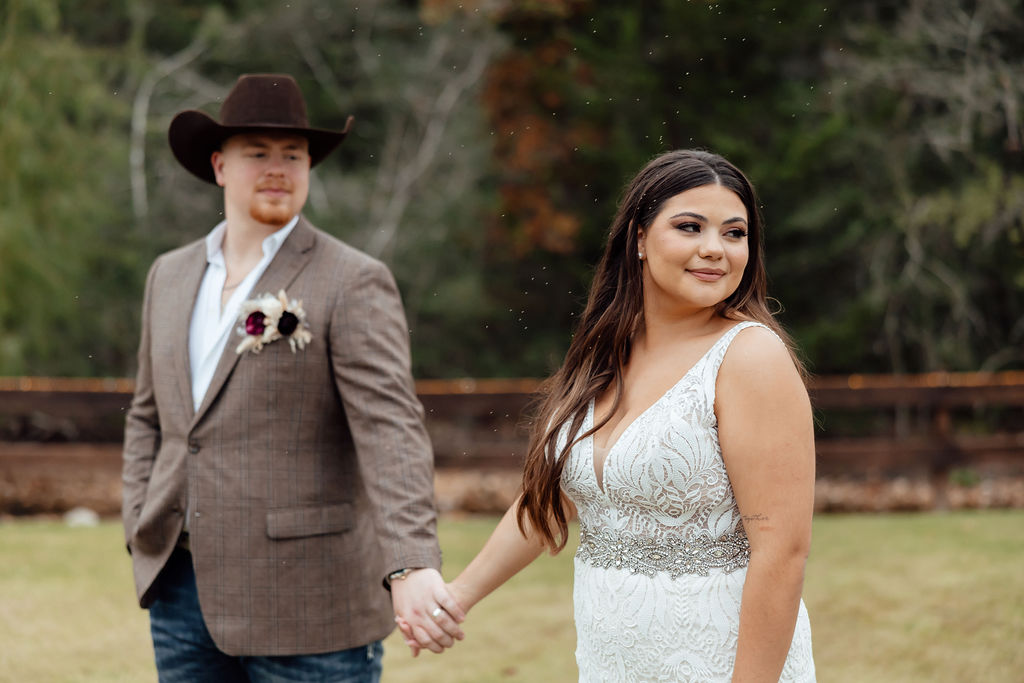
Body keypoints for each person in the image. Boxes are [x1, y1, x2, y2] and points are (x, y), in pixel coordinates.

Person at [400, 149, 817, 681]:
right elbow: (553, 499)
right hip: (610, 659)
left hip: (718, 660)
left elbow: (782, 554)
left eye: (735, 233)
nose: (714, 249)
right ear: (639, 239)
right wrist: (457, 597)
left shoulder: (751, 357)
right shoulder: (605, 353)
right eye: (690, 226)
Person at [121, 73, 464, 683]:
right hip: (181, 596)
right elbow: (150, 416)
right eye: (258, 153)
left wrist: (411, 563)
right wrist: (138, 523)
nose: (277, 168)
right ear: (220, 165)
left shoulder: (352, 279)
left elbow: (390, 429)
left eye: (293, 155)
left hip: (311, 606)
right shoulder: (167, 277)